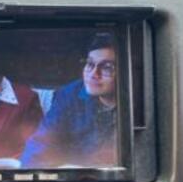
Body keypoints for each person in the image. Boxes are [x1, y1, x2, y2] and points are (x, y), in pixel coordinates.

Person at [20, 33, 118, 168]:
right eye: (90, 64)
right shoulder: (69, 95)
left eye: (107, 67)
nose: (93, 74)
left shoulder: (139, 103)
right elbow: (38, 147)